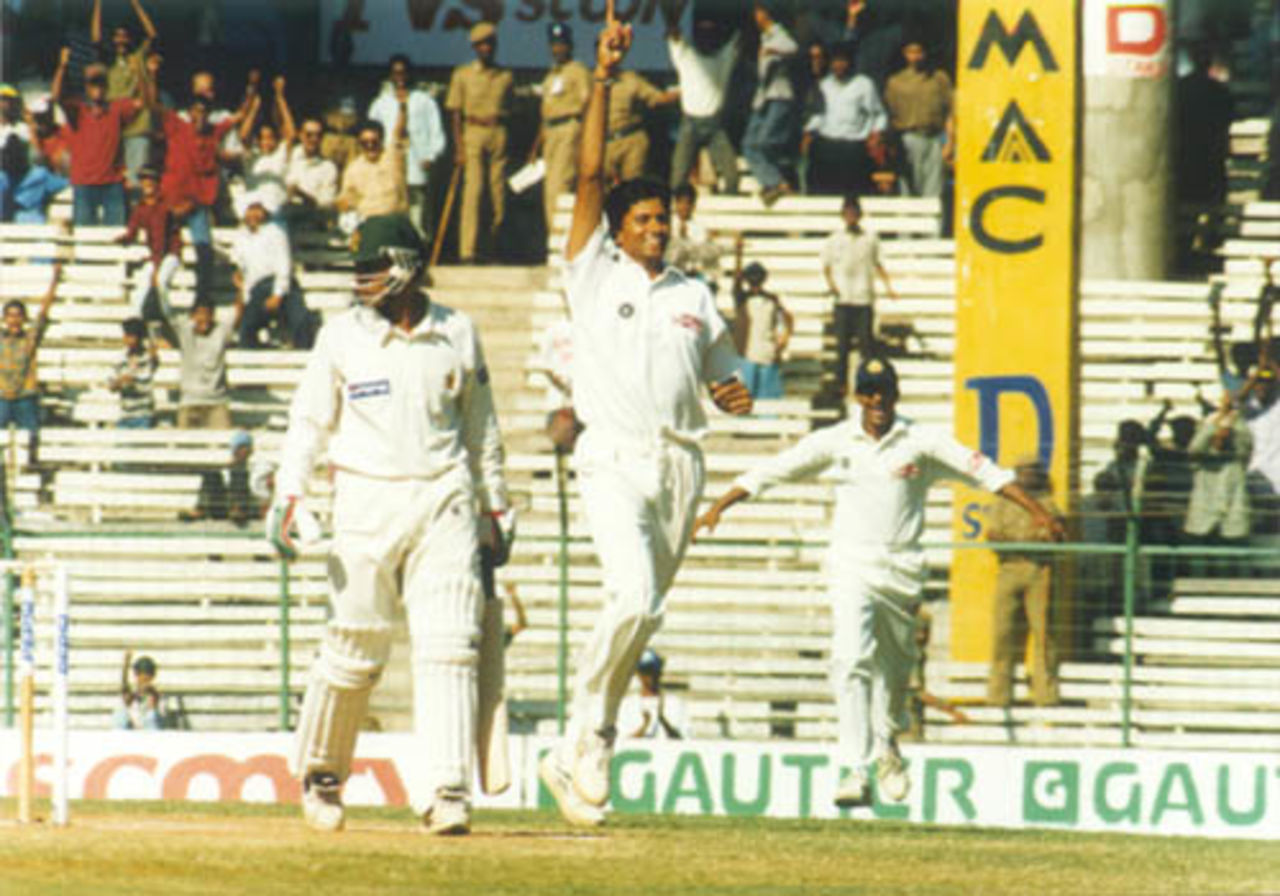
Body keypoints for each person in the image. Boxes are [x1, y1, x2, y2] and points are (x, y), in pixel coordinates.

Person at [537, 17, 752, 829]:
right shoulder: (593, 273)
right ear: (618, 231)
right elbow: (590, 174)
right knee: (628, 593)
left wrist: (735, 397)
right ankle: (577, 736)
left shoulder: (694, 297)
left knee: (645, 615)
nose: (657, 229)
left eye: (664, 221)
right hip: (614, 458)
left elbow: (726, 381)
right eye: (644, 222)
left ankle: (587, 744)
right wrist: (602, 77)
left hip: (680, 467)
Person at [694, 356, 1062, 808]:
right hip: (851, 567)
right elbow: (777, 469)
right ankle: (853, 765)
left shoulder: (922, 441)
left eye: (884, 392)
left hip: (902, 571)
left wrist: (1038, 511)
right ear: (857, 396)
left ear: (895, 394)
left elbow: (985, 470)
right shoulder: (835, 440)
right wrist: (721, 504)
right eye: (869, 392)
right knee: (849, 659)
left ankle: (887, 743)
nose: (877, 401)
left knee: (895, 669)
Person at [268, 213, 513, 836]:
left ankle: (446, 789)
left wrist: (496, 506)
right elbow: (308, 422)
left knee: (451, 643)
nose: (361, 279)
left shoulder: (456, 331)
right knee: (355, 645)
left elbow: (481, 428)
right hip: (364, 500)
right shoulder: (341, 337)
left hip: (444, 496)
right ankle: (323, 772)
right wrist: (289, 494)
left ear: (405, 264)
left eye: (372, 266)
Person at [985, 456, 1061, 708]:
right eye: (1023, 471)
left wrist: (1017, 542)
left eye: (1032, 471)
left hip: (1039, 570)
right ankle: (998, 695)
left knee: (1043, 634)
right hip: (1008, 569)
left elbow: (1052, 536)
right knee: (1003, 633)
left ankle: (1045, 694)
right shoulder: (1002, 504)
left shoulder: (1048, 504)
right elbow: (993, 536)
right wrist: (1028, 540)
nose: (1028, 476)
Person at [446, 22, 514, 264]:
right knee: (473, 192)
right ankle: (468, 251)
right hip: (472, 131)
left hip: (498, 132)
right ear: (475, 48)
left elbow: (512, 109)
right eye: (481, 44)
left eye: (490, 44)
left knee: (498, 195)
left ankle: (493, 248)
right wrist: (459, 147)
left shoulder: (506, 76)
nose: (486, 48)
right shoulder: (462, 74)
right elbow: (455, 112)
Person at [51, 48, 142, 226]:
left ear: (107, 87)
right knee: (84, 238)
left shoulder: (117, 110)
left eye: (101, 84)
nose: (97, 88)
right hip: (84, 183)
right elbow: (56, 96)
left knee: (115, 237)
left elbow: (142, 102)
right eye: (93, 84)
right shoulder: (78, 111)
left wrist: (142, 73)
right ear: (87, 87)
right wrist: (62, 67)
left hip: (113, 183)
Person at [822, 194, 896, 397]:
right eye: (848, 213)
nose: (851, 217)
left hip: (863, 298)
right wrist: (832, 286)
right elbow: (827, 266)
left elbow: (878, 263)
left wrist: (888, 286)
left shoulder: (870, 238)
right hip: (843, 299)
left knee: (866, 344)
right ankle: (840, 385)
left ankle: (867, 383)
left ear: (860, 215)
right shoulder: (834, 239)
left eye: (854, 213)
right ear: (842, 215)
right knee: (842, 346)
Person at [369, 54, 446, 246]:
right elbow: (371, 132)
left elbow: (437, 132)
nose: (400, 77)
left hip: (416, 164)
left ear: (410, 74)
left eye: (403, 72)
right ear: (390, 76)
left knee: (417, 213)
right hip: (389, 165)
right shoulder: (381, 103)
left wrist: (431, 155)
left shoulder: (424, 101)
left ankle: (419, 251)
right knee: (390, 209)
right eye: (395, 73)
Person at [231, 192, 317, 350]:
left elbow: (284, 265)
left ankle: (305, 359)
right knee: (246, 329)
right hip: (256, 289)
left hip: (282, 286)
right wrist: (242, 295)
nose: (254, 214)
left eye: (258, 209)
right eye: (250, 210)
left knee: (301, 320)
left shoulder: (275, 232)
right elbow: (241, 270)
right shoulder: (240, 237)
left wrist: (277, 295)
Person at [665, 15, 740, 194]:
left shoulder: (724, 56)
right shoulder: (687, 55)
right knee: (678, 172)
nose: (707, 37)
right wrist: (673, 18)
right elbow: (675, 36)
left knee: (732, 174)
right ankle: (676, 207)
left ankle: (728, 204)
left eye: (711, 33)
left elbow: (740, 39)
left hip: (714, 125)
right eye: (703, 33)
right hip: (690, 123)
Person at [802, 42, 885, 197]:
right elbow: (820, 115)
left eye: (843, 61)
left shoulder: (864, 84)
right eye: (835, 61)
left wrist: (876, 135)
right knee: (823, 191)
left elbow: (878, 114)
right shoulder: (824, 84)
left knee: (853, 193)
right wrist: (808, 132)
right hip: (827, 145)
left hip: (853, 147)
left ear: (850, 62)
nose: (839, 65)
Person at [530, 23, 591, 232]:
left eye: (562, 44)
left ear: (570, 45)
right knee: (549, 189)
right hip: (550, 132)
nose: (558, 49)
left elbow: (587, 104)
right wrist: (536, 146)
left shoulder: (577, 70)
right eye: (554, 45)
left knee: (560, 185)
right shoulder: (551, 76)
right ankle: (552, 237)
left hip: (568, 128)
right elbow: (545, 112)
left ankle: (559, 238)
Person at [90, 0, 158, 189]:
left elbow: (152, 34)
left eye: (125, 36)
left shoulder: (138, 57)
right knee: (113, 178)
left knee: (136, 181)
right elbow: (95, 39)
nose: (121, 40)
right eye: (117, 36)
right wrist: (98, 4)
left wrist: (135, 4)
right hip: (113, 125)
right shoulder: (108, 60)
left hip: (137, 125)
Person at [1183, 398, 1253, 577]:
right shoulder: (1200, 461)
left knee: (1232, 563)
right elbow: (1194, 447)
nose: (1221, 440)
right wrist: (1217, 421)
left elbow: (1246, 441)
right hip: (1203, 519)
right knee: (1199, 563)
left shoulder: (1237, 460)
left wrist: (1232, 417)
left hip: (1231, 518)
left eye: (1225, 436)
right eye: (1217, 437)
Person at [0, 263, 61, 457]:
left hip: (25, 397)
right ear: (4, 319)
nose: (14, 320)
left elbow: (43, 313)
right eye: (10, 316)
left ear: (24, 318)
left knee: (31, 441)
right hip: (2, 397)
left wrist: (54, 283)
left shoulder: (30, 338)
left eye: (18, 316)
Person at [744, 2, 800, 206]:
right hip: (762, 98)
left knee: (765, 142)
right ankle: (774, 183)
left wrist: (772, 50)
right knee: (749, 145)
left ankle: (778, 182)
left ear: (764, 13)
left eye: (757, 12)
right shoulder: (763, 37)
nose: (755, 16)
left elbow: (793, 48)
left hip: (778, 96)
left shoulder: (777, 33)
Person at [160, 294, 243, 430]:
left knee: (223, 445)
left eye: (207, 314)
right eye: (199, 314)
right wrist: (158, 285)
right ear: (192, 316)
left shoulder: (221, 331)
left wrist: (240, 289)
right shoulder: (184, 331)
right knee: (184, 447)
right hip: (189, 401)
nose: (203, 318)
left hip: (217, 402)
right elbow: (165, 314)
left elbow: (238, 315)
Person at [883, 39, 951, 198]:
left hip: (935, 138)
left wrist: (950, 141)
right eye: (911, 52)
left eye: (919, 52)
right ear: (905, 54)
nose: (915, 56)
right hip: (908, 138)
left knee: (934, 188)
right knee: (908, 187)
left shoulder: (938, 78)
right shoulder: (895, 82)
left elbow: (950, 111)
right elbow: (890, 114)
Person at [115, 165, 180, 319]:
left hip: (170, 254)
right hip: (156, 255)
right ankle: (135, 321)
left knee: (161, 281)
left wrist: (156, 267)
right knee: (141, 284)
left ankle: (169, 320)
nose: (146, 184)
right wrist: (125, 239)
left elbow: (161, 237)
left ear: (157, 183)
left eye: (150, 180)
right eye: (143, 180)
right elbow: (133, 229)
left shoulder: (164, 206)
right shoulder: (141, 207)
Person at [731, 244, 793, 401]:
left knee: (768, 401)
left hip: (768, 353)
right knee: (745, 398)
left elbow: (787, 319)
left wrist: (784, 338)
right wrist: (738, 254)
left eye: (757, 278)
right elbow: (736, 282)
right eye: (751, 278)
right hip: (747, 355)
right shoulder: (742, 299)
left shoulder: (772, 299)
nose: (754, 282)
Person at [336, 116, 410, 232]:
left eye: (374, 142)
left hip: (396, 225)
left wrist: (403, 107)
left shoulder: (394, 157)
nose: (370, 146)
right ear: (359, 143)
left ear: (381, 140)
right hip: (368, 227)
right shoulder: (353, 169)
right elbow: (345, 200)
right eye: (365, 143)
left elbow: (400, 132)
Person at [284, 117, 339, 231]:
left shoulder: (328, 167)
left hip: (309, 218)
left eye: (318, 135)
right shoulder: (287, 157)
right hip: (283, 214)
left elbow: (325, 205)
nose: (314, 139)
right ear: (300, 135)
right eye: (309, 134)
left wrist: (301, 194)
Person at [617, 649, 686, 740]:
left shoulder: (675, 703)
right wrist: (645, 726)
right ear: (638, 674)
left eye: (654, 671)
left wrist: (663, 721)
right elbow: (622, 743)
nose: (651, 676)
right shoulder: (627, 705)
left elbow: (684, 740)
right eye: (646, 672)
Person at [663, 183, 721, 288]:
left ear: (694, 205)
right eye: (681, 203)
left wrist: (686, 239)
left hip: (691, 274)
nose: (684, 207)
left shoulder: (699, 228)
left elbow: (699, 253)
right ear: (675, 203)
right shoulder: (667, 224)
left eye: (688, 203)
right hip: (669, 271)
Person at [108, 317, 159, 429]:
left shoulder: (147, 358)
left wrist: (132, 382)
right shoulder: (120, 358)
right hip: (125, 415)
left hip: (144, 416)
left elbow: (146, 385)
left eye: (131, 336)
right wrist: (118, 383)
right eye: (126, 335)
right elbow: (111, 385)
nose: (127, 339)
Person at [113, 652, 165, 730]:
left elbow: (156, 720)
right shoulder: (132, 694)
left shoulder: (155, 695)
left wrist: (152, 704)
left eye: (147, 680)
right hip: (132, 732)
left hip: (149, 732)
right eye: (142, 680)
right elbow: (124, 686)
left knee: (152, 715)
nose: (144, 683)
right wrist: (126, 663)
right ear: (136, 676)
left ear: (152, 678)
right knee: (121, 712)